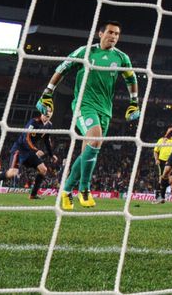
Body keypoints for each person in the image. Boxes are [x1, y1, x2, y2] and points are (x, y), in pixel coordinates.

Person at [36, 20, 139, 210]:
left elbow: (131, 78)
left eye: (117, 34)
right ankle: (84, 189)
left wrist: (134, 102)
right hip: (83, 105)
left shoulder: (121, 57)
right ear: (100, 34)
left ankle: (66, 190)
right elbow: (62, 69)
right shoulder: (85, 52)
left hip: (105, 110)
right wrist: (47, 93)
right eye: (110, 32)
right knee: (96, 138)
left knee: (89, 150)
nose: (113, 36)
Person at [0, 110, 58, 199]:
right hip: (20, 149)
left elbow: (46, 141)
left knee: (43, 169)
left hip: (30, 152)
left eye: (48, 116)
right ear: (41, 114)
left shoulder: (49, 125)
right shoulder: (33, 122)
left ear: (50, 117)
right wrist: (35, 150)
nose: (46, 117)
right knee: (12, 172)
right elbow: (26, 138)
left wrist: (51, 154)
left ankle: (33, 195)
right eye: (44, 115)